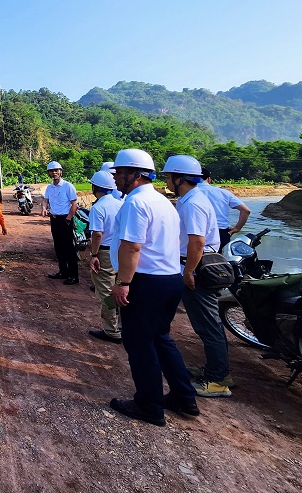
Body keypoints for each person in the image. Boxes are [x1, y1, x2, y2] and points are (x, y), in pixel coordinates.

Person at [108, 149, 197, 426]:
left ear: (134, 175)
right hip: (169, 279)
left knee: (139, 343)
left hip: (145, 281)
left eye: (119, 173)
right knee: (161, 338)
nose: (115, 179)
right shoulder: (162, 202)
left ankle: (149, 405)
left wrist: (123, 283)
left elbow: (133, 246)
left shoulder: (135, 204)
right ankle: (184, 396)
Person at [163, 156, 233, 398]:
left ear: (179, 178)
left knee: (208, 325)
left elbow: (197, 241)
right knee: (208, 323)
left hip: (199, 266)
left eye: (168, 176)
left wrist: (188, 271)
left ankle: (217, 380)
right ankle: (217, 370)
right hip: (198, 263)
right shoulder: (190, 199)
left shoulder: (192, 203)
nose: (166, 180)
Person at [87, 170, 123, 344]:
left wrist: (94, 254)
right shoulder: (120, 204)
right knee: (120, 287)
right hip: (121, 251)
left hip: (105, 252)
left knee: (106, 292)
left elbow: (97, 234)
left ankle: (112, 330)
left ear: (95, 187)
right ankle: (121, 325)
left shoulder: (98, 207)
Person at [41, 161, 79, 284]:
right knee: (58, 247)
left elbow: (74, 205)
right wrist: (44, 208)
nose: (54, 172)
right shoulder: (49, 187)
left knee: (69, 248)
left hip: (66, 219)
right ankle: (63, 271)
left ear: (61, 171)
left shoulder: (68, 186)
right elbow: (45, 200)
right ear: (48, 173)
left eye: (56, 170)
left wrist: (68, 219)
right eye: (52, 171)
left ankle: (73, 276)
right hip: (55, 219)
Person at [199, 167, 251, 252]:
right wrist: (237, 228)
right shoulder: (223, 192)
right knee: (220, 262)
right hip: (221, 233)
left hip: (197, 233)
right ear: (208, 179)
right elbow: (246, 211)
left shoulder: (189, 193)